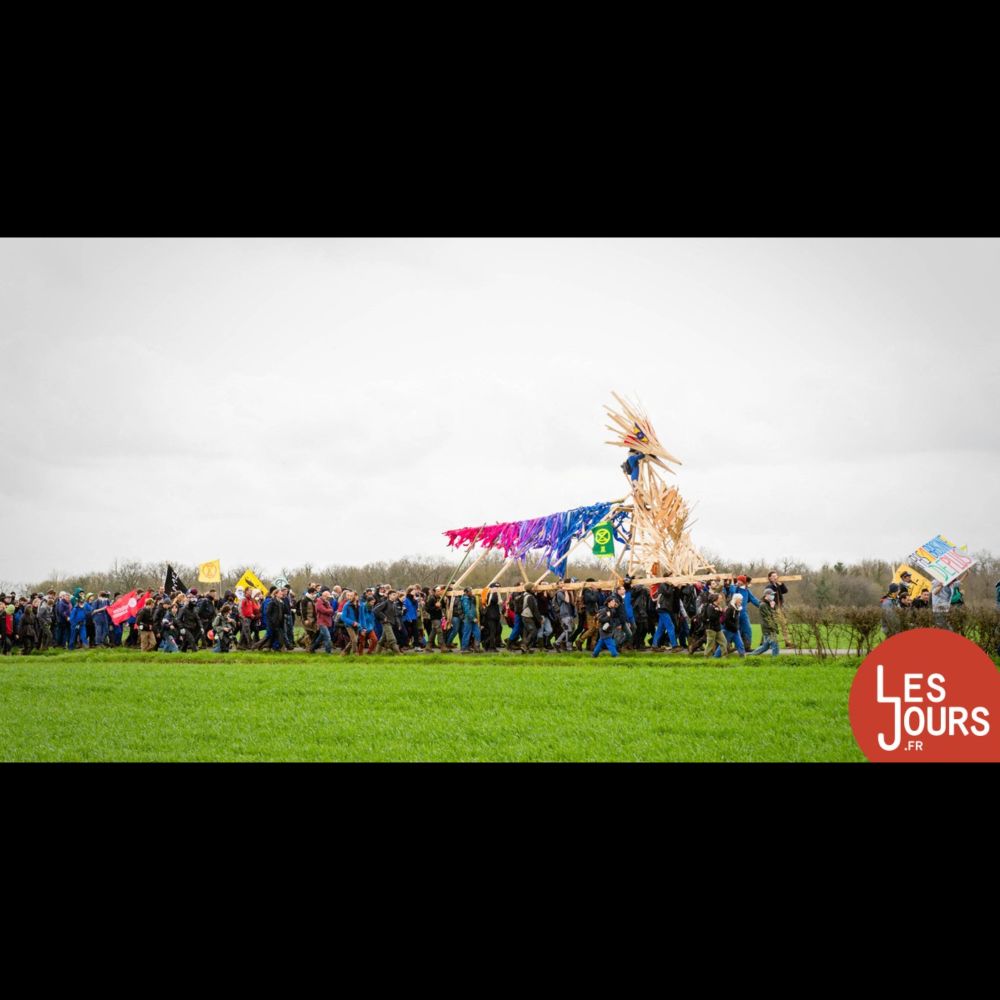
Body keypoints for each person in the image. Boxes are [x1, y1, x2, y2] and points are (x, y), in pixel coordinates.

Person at [750, 588, 780, 656]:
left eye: (773, 594)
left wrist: (773, 607)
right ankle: (776, 660)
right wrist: (772, 607)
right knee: (775, 646)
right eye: (772, 594)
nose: (773, 596)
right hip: (768, 628)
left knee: (765, 647)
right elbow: (769, 616)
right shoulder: (763, 605)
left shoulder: (769, 604)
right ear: (767, 595)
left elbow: (775, 615)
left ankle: (751, 656)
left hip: (770, 628)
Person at [310, 589, 335, 654]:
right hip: (321, 622)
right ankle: (328, 652)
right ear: (324, 596)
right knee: (327, 637)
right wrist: (329, 610)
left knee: (320, 638)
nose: (329, 598)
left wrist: (329, 610)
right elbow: (323, 610)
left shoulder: (327, 602)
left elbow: (332, 610)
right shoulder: (319, 601)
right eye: (328, 597)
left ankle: (312, 648)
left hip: (327, 622)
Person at [459, 587, 483, 653]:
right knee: (467, 633)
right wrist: (473, 618)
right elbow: (467, 610)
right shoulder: (465, 600)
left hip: (474, 618)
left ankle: (477, 647)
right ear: (466, 592)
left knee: (477, 632)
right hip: (468, 619)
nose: (471, 592)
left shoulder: (471, 598)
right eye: (470, 591)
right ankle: (464, 649)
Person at [482, 583, 504, 652]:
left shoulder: (489, 593)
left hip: (492, 616)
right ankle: (491, 647)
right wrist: (496, 593)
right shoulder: (493, 594)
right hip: (492, 616)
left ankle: (487, 644)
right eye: (497, 587)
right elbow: (494, 601)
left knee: (497, 630)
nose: (499, 589)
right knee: (493, 632)